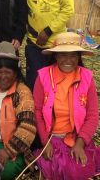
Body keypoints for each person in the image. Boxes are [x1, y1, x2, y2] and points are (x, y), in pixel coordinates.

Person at [33, 32, 100, 179]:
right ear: (55, 56)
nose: (68, 60)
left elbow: (93, 115)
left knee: (81, 167)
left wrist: (80, 143)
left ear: (79, 57)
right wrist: (45, 142)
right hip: (52, 138)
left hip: (77, 137)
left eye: (73, 55)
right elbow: (37, 111)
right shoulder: (43, 77)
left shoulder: (87, 78)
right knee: (62, 168)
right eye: (63, 55)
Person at [0, 41, 36, 180]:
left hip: (11, 148)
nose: (3, 76)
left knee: (2, 171)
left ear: (15, 72)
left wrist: (7, 151)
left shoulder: (22, 92)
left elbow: (28, 128)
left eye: (8, 72)